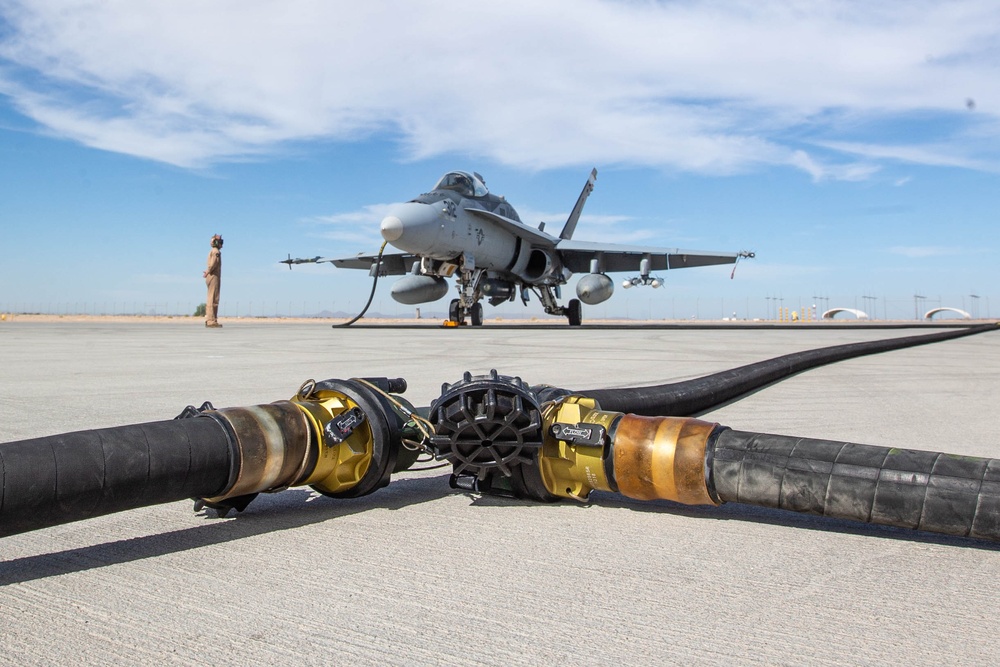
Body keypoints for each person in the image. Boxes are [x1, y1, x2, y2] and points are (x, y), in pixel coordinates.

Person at [203, 234, 223, 327]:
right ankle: (211, 320)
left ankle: (212, 319)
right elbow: (213, 264)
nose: (221, 244)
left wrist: (208, 272)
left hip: (212, 275)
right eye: (220, 242)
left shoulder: (213, 251)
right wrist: (208, 271)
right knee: (213, 298)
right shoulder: (216, 252)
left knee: (213, 297)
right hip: (213, 276)